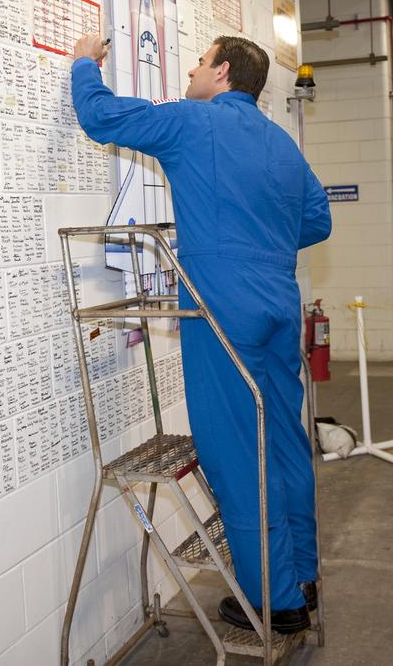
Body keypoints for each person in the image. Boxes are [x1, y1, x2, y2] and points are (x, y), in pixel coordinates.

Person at [71, 33, 331, 635]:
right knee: (284, 439)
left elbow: (102, 116)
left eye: (197, 60)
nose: (188, 69)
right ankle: (304, 574)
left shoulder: (194, 122)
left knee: (236, 448)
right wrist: (260, 245)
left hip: (223, 307)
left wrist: (85, 62)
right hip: (277, 305)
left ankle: (275, 598)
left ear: (220, 72)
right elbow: (318, 218)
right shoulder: (281, 144)